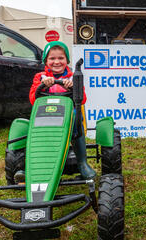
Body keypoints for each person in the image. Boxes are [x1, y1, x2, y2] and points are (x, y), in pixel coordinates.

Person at [15, 41, 94, 182]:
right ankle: (30, 168)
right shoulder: (40, 77)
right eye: (52, 58)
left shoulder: (73, 77)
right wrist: (43, 86)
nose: (56, 62)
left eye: (61, 58)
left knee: (77, 121)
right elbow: (33, 99)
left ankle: (82, 163)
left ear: (67, 60)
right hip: (44, 116)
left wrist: (72, 87)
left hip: (68, 118)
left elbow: (82, 99)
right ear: (46, 60)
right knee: (29, 130)